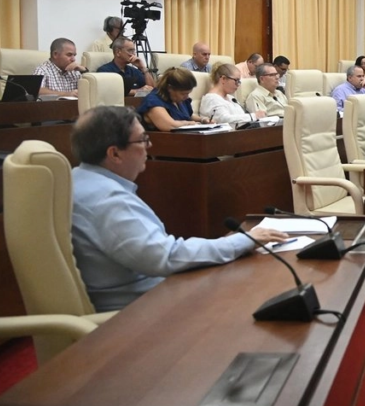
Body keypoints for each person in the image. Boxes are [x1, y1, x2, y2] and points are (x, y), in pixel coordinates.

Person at [70, 106, 287, 311]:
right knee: (255, 288)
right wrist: (243, 240)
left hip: (150, 294)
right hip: (142, 311)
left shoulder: (78, 179)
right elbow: (165, 257)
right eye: (143, 139)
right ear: (115, 154)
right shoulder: (107, 199)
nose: (149, 146)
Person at [137, 67, 209, 131]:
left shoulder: (179, 100)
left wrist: (202, 120)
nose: (187, 97)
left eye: (188, 93)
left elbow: (187, 116)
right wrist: (191, 123)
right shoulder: (153, 102)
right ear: (169, 88)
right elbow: (170, 126)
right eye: (183, 94)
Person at [199, 62, 265, 124]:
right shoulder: (211, 99)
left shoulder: (231, 98)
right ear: (223, 79)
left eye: (239, 81)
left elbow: (241, 116)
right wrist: (253, 116)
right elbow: (224, 119)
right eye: (236, 80)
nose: (238, 84)